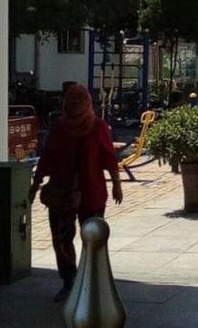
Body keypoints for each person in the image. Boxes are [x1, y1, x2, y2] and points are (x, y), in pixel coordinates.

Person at [30, 84, 122, 302]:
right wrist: (35, 183)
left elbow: (109, 157)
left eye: (79, 100)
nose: (74, 104)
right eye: (71, 100)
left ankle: (91, 282)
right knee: (61, 240)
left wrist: (117, 184)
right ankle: (69, 280)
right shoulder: (58, 127)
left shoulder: (98, 127)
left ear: (87, 102)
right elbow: (48, 158)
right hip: (61, 194)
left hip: (92, 194)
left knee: (93, 240)